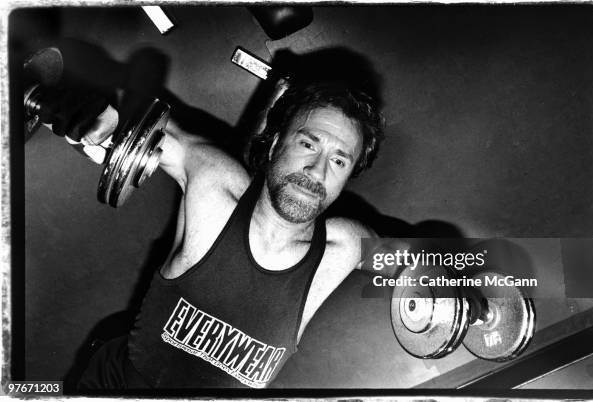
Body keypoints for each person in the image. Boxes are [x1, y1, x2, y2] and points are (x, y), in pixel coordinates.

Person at [45, 78, 386, 389]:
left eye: (339, 161)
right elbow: (156, 129)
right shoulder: (218, 190)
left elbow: (424, 263)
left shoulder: (342, 247)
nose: (317, 170)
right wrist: (98, 110)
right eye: (309, 145)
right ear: (274, 145)